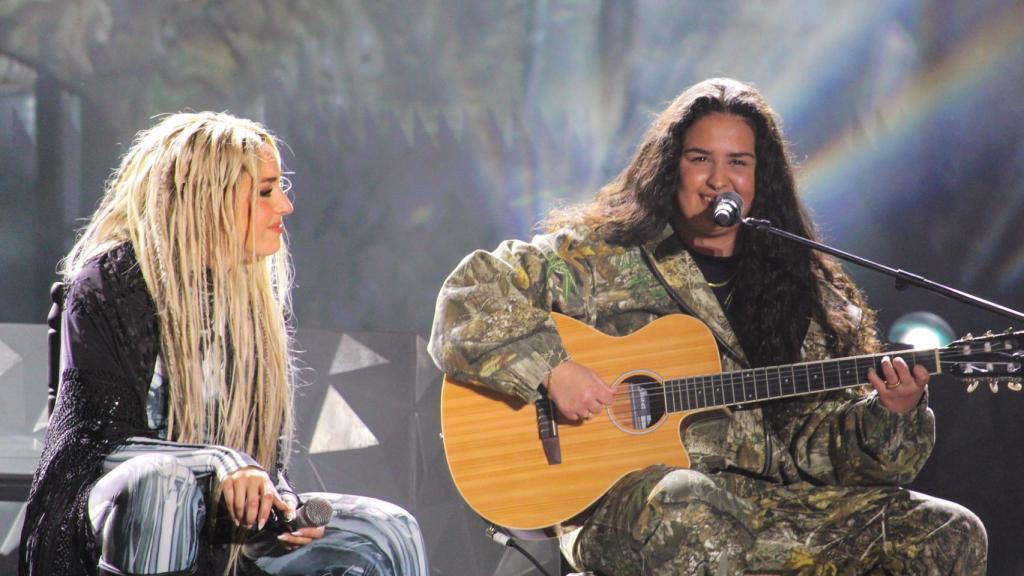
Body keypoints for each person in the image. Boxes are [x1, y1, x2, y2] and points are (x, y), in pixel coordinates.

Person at [428, 78, 986, 575]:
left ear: (759, 178)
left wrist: (893, 414)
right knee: (689, 506)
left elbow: (823, 451)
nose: (718, 179)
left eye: (738, 162)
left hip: (772, 512)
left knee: (948, 531)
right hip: (640, 508)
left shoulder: (803, 289)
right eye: (700, 158)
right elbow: (468, 294)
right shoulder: (599, 258)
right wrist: (552, 369)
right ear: (670, 166)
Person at [19, 112, 428, 576]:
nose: (286, 206)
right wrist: (220, 463)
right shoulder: (112, 283)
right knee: (164, 484)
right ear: (206, 199)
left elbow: (264, 462)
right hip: (104, 526)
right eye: (267, 190)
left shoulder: (251, 297)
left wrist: (280, 504)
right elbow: (95, 443)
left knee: (389, 530)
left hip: (221, 533)